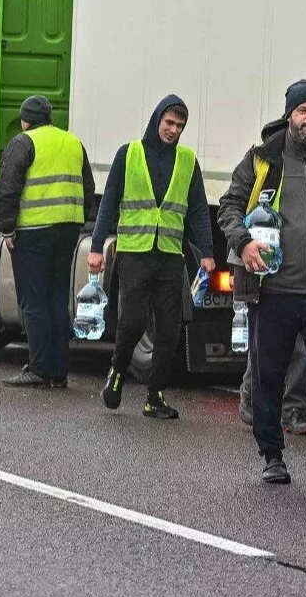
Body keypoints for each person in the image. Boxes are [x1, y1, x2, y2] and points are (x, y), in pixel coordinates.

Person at [219, 78, 306, 488]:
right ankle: (272, 456)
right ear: (290, 115)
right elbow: (229, 206)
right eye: (303, 111)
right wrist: (243, 244)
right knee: (268, 375)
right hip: (273, 290)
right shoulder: (262, 160)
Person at [90, 94, 214, 419]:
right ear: (157, 120)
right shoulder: (128, 154)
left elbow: (199, 210)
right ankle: (117, 372)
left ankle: (155, 396)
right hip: (134, 253)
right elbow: (108, 202)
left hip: (170, 255)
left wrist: (208, 254)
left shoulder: (187, 160)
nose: (173, 130)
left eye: (180, 126)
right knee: (132, 323)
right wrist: (95, 247)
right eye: (169, 123)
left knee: (170, 328)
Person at [0, 94, 93, 390]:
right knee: (56, 297)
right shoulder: (73, 142)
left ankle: (38, 368)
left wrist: (7, 230)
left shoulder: (24, 142)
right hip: (68, 229)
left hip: (34, 231)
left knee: (33, 298)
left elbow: (7, 189)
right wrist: (78, 220)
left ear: (25, 120)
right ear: (50, 117)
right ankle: (58, 371)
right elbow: (88, 187)